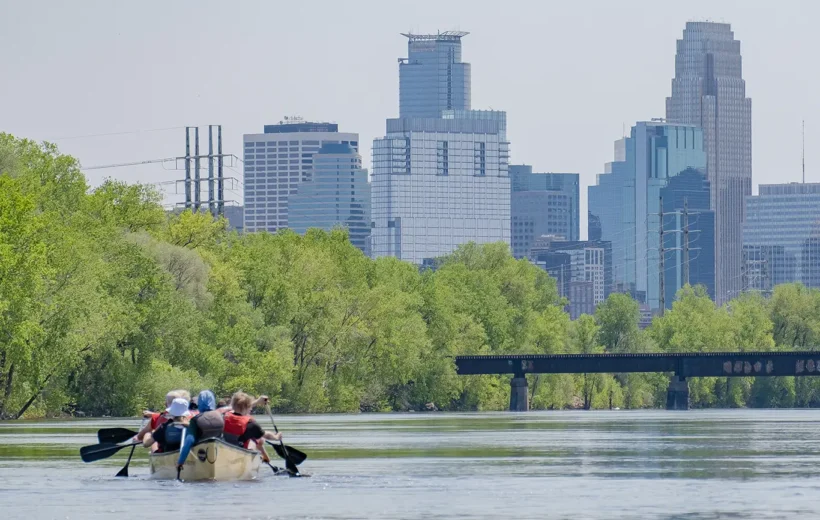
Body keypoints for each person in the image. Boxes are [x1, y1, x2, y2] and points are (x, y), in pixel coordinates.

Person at [176, 390, 225, 471]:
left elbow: (189, 440)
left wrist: (180, 462)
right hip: (218, 450)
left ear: (199, 403)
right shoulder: (222, 417)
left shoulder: (195, 420)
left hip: (201, 453)